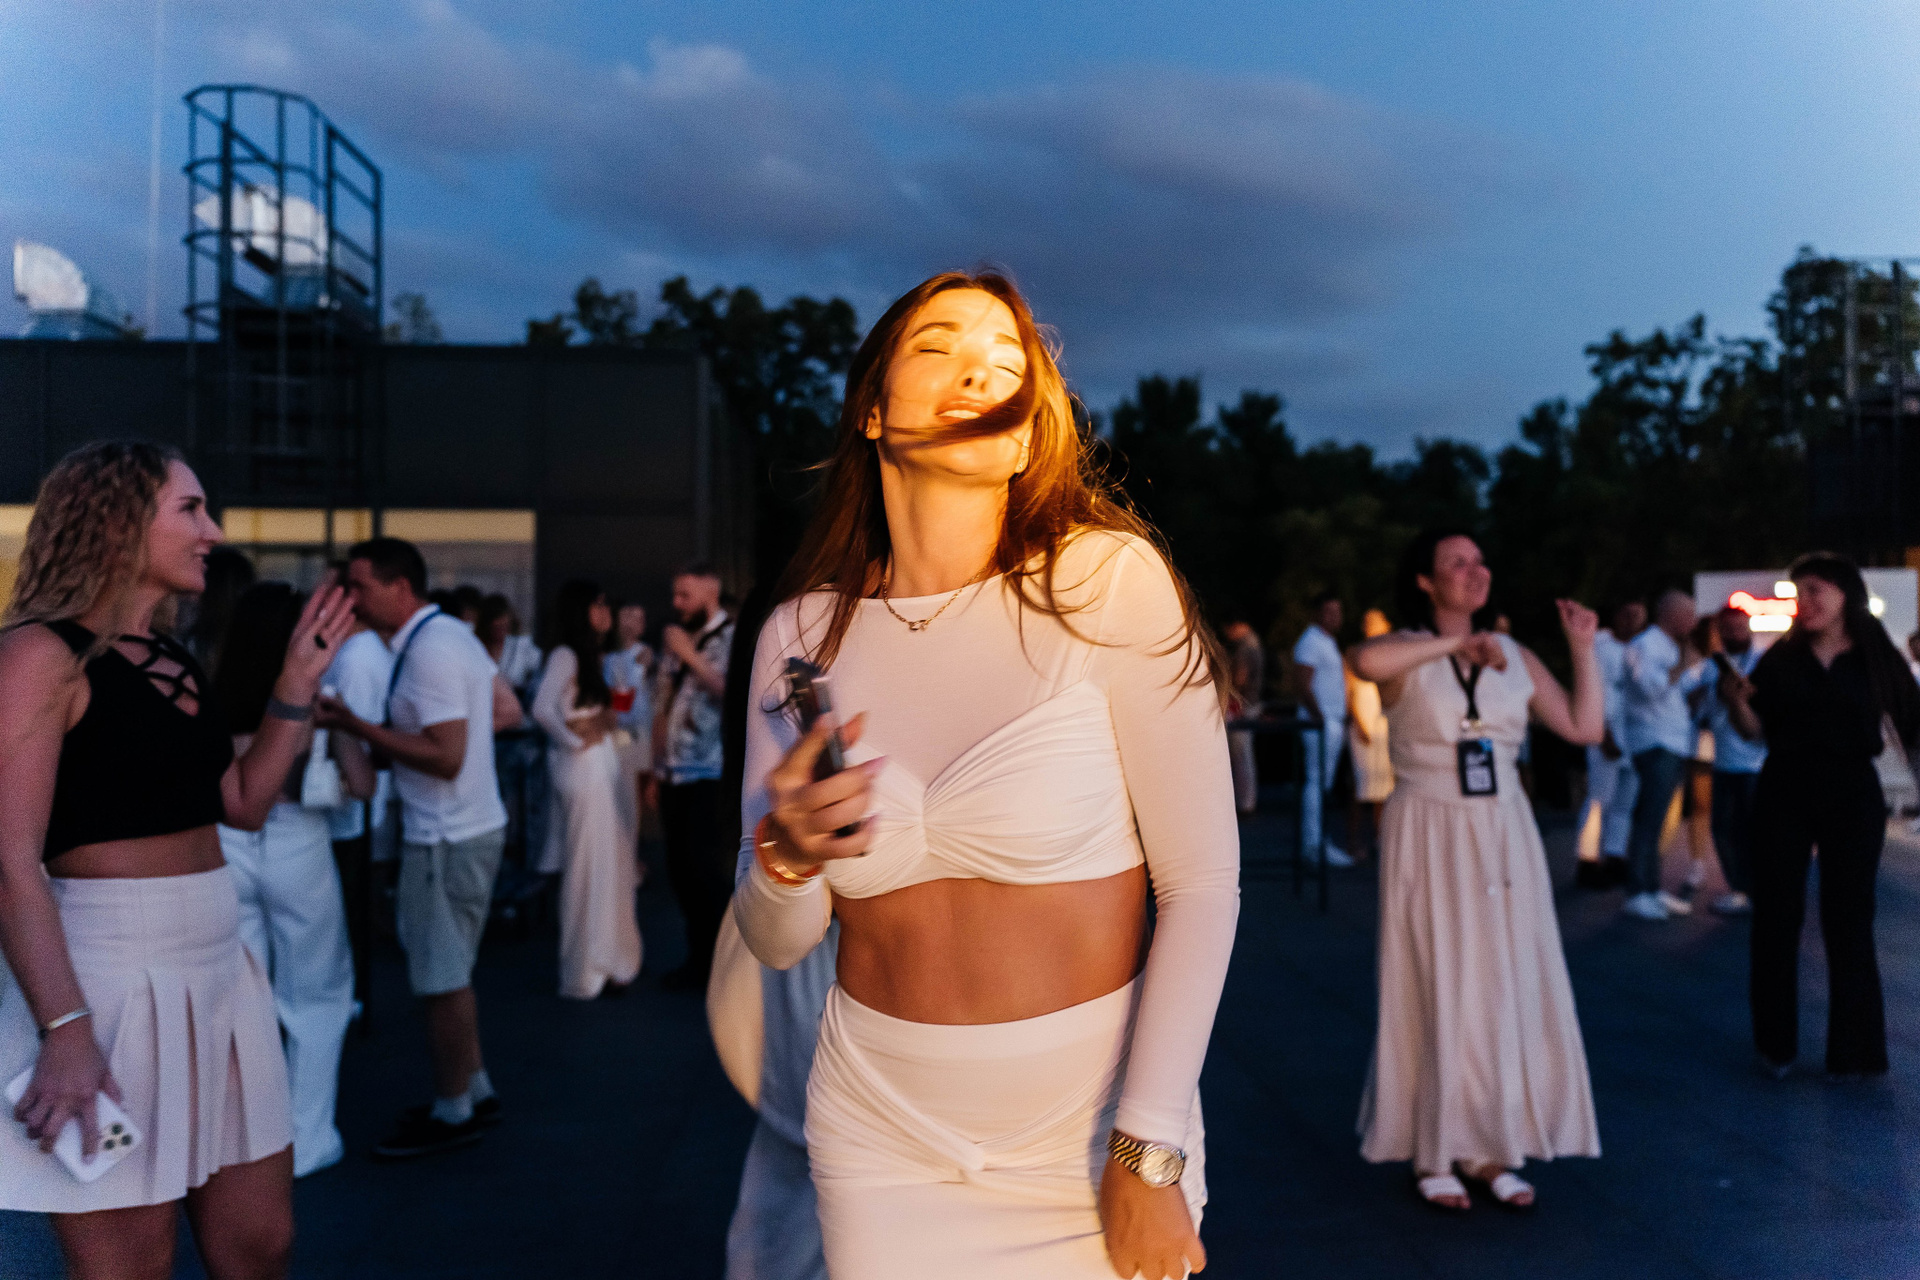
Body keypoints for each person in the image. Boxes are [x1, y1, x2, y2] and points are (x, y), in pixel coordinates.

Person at [731, 270, 1238, 1280]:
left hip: (1088, 1125)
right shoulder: (802, 634)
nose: (977, 371)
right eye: (939, 347)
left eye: (1006, 365)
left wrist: (1147, 1146)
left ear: (1023, 437)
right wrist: (786, 856)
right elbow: (777, 941)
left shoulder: (1105, 582)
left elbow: (1203, 885)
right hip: (881, 1130)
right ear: (873, 411)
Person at [0, 440, 352, 1278]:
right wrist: (66, 1030)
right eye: (190, 509)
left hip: (222, 967)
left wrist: (295, 686)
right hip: (106, 976)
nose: (213, 531)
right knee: (132, 1264)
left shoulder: (171, 658)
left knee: (259, 1244)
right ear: (118, 521)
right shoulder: (37, 655)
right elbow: (9, 860)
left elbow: (244, 804)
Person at [1349, 528, 1603, 1212]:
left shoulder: (1515, 655)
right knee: (1436, 980)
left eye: (1480, 560)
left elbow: (1583, 728)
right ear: (1425, 581)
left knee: (1503, 982)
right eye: (1456, 563)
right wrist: (1453, 646)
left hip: (1504, 830)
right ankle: (1434, 1151)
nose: (1474, 571)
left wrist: (1582, 648)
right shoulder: (1408, 650)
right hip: (1429, 826)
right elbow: (1365, 661)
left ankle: (1492, 1148)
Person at [315, 537, 510, 1158]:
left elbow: (445, 756)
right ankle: (472, 1089)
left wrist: (354, 726)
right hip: (463, 828)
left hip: (445, 836)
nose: (352, 598)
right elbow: (501, 711)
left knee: (440, 981)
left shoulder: (430, 649)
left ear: (400, 587)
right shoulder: (446, 637)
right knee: (451, 975)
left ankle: (453, 1110)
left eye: (360, 586)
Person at [1718, 553, 1920, 1080]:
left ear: (1844, 594)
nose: (1805, 602)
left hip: (1852, 791)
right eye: (1798, 592)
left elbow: (1912, 727)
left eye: (1816, 591)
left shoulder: (1875, 656)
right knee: (1776, 916)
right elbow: (1753, 731)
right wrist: (1736, 702)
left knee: (1850, 918)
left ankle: (1855, 1054)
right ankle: (1776, 1046)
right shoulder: (1782, 658)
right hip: (1785, 787)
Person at [213, 582, 376, 1179]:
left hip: (227, 844)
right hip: (298, 842)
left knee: (238, 995)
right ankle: (307, 1140)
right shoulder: (316, 703)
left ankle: (241, 1135)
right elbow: (363, 786)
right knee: (318, 995)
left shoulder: (210, 700)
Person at [532, 579, 642, 999]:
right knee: (587, 865)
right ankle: (586, 966)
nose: (605, 611)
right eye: (597, 605)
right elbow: (541, 708)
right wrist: (573, 740)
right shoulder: (566, 654)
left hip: (600, 761)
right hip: (583, 767)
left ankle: (608, 958)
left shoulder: (593, 656)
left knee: (608, 862)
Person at [652, 564, 735, 992]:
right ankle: (697, 959)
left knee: (707, 872)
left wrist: (689, 655)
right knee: (680, 871)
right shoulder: (678, 640)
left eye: (685, 595)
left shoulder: (731, 637)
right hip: (673, 773)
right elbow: (661, 702)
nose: (677, 603)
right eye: (675, 595)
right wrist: (656, 769)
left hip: (709, 772)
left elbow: (730, 694)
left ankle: (722, 969)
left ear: (710, 591)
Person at [1620, 589, 1701, 920]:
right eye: (1689, 614)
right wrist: (1683, 664)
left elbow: (1678, 692)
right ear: (1671, 614)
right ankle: (1637, 892)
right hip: (1654, 742)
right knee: (1648, 819)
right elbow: (1650, 688)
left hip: (1672, 742)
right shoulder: (1645, 645)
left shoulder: (1668, 646)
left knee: (1659, 822)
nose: (1693, 621)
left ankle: (1651, 889)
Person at [1683, 606, 1764, 916]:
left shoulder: (1762, 662)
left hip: (1758, 762)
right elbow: (1694, 710)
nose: (1734, 634)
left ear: (1750, 628)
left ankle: (1758, 891)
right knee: (1724, 830)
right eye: (1727, 629)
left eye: (1739, 628)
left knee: (1756, 831)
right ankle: (1740, 889)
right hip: (1723, 760)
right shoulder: (1710, 667)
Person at [1578, 601, 1645, 886]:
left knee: (1625, 802)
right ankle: (1587, 858)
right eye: (1627, 614)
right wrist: (1603, 732)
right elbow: (1594, 691)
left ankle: (1615, 855)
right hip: (1606, 732)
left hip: (1635, 736)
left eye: (1637, 615)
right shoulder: (1601, 647)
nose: (1632, 621)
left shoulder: (1641, 648)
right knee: (1599, 799)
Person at [1293, 590, 1352, 867]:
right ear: (1317, 613)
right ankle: (1313, 845)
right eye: (1329, 612)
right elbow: (1303, 683)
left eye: (1337, 612)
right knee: (1316, 782)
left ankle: (1318, 841)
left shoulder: (1327, 641)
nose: (1335, 617)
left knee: (1322, 784)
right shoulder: (1311, 642)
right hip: (1321, 723)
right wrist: (1320, 718)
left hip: (1330, 721)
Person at [604, 602, 656, 863]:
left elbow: (628, 700)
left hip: (638, 735)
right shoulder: (609, 658)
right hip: (617, 734)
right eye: (628, 615)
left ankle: (633, 856)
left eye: (639, 617)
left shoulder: (645, 654)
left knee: (636, 797)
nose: (635, 621)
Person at [1346, 607, 1395, 860]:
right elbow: (1349, 693)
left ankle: (1381, 840)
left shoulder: (1392, 654)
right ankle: (1353, 842)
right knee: (1361, 785)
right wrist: (1358, 723)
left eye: (1375, 622)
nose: (1370, 626)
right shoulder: (1355, 654)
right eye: (1367, 622)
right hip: (1363, 725)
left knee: (1384, 787)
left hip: (1383, 726)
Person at [1223, 619, 1265, 815]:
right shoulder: (1255, 643)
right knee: (1245, 755)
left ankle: (1245, 803)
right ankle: (1247, 800)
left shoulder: (1245, 648)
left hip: (1243, 706)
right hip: (1252, 703)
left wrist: (1228, 690)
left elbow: (1240, 678)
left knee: (1241, 755)